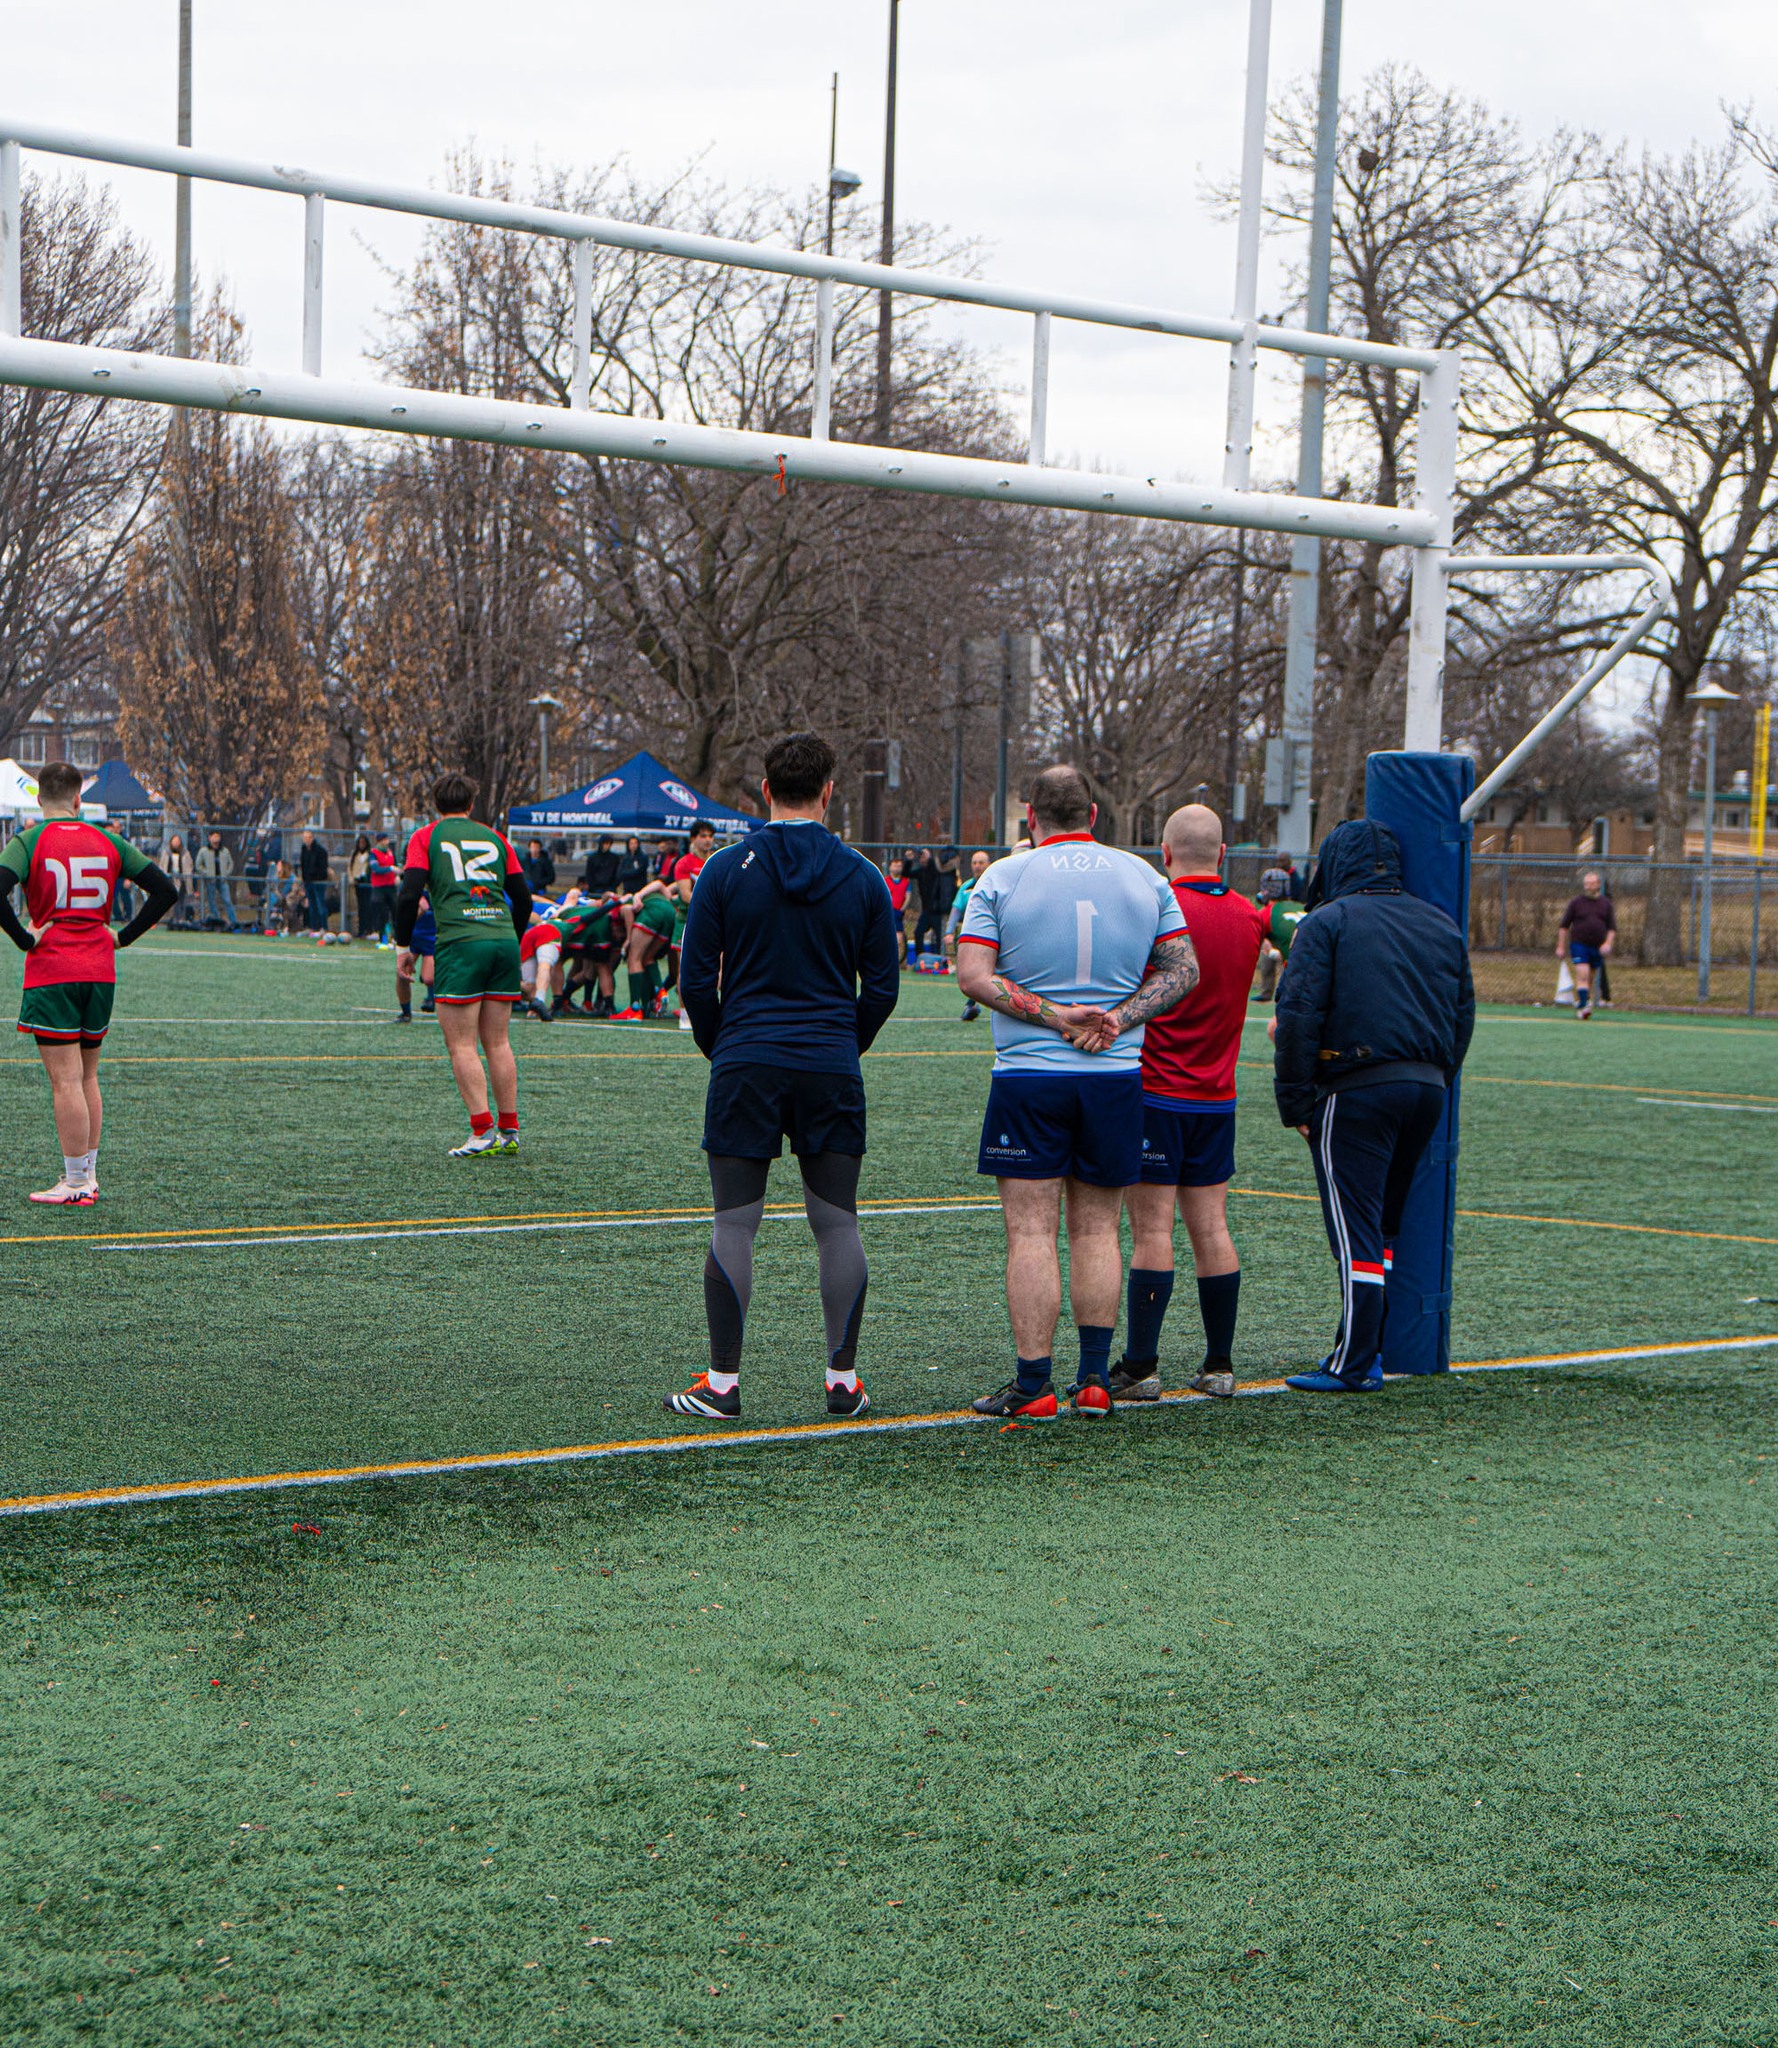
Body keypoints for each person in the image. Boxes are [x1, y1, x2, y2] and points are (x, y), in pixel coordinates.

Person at [668, 731, 899, 1420]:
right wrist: (840, 1046)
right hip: (829, 1063)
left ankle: (722, 1384)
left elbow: (694, 982)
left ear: (765, 791)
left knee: (735, 1223)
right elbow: (882, 988)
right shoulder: (862, 875)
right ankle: (843, 1381)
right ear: (830, 793)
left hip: (746, 1059)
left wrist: (725, 1047)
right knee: (836, 1223)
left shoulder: (723, 869)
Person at [956, 765, 1198, 1418]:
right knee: (1098, 1231)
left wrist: (1050, 1014)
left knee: (1030, 1232)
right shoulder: (1144, 875)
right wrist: (1121, 1017)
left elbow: (973, 976)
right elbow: (1184, 968)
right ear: (1093, 814)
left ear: (1030, 816)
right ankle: (1094, 1380)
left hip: (1029, 1077)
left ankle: (1033, 1384)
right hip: (1114, 1077)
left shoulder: (1002, 876)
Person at [1273, 819, 1475, 1393]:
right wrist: (1437, 1075)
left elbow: (1298, 1016)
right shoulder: (1440, 922)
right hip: (1427, 1087)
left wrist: (1296, 1102)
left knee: (1354, 1226)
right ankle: (1370, 1350)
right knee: (1382, 1227)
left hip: (1356, 1086)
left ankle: (1354, 1361)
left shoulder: (1328, 921)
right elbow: (1462, 1016)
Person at [1111, 806, 1265, 1403]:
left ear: (1165, 854)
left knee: (1151, 1229)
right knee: (1212, 1226)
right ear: (1222, 854)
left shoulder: (1159, 909)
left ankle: (1142, 1367)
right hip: (1217, 1096)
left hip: (1156, 1093)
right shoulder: (1250, 915)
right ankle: (1219, 1364)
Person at [0, 761, 179, 1204]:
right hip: (100, 969)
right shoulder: (108, 839)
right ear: (79, 799)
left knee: (64, 1081)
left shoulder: (29, 840)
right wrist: (123, 937)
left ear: (39, 799)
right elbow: (165, 890)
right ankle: (87, 1174)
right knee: (87, 1076)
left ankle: (76, 1183)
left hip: (53, 971)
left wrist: (25, 938)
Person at [394, 773, 533, 1154]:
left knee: (462, 1045)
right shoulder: (496, 837)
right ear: (472, 804)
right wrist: (510, 936)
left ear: (436, 805)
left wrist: (401, 946)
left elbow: (409, 895)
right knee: (499, 1042)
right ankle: (509, 1131)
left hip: (460, 942)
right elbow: (523, 899)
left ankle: (482, 1131)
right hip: (502, 939)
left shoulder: (426, 837)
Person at [1557, 871, 1615, 1021]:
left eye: (1591, 884)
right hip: (1579, 945)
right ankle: (1583, 1004)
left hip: (1596, 947)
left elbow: (1612, 928)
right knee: (1582, 975)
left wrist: (1608, 943)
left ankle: (1583, 1003)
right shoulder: (1576, 903)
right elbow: (1564, 926)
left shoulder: (1606, 904)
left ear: (1598, 885)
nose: (1588, 887)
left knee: (1589, 978)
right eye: (1586, 884)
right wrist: (1561, 946)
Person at [948, 848, 991, 1015]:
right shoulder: (966, 887)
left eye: (981, 862)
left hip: (994, 935)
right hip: (973, 936)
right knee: (972, 970)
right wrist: (949, 932)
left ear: (988, 864)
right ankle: (971, 1004)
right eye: (974, 863)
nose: (977, 866)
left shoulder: (995, 883)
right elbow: (956, 909)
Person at [1254, 867, 1307, 1001]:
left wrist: (1270, 951)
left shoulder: (1267, 913)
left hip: (1297, 969)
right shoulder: (1301, 907)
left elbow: (1251, 942)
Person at [396, 892, 437, 1017]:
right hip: (412, 937)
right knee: (402, 975)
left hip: (431, 936)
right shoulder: (410, 887)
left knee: (429, 978)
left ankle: (431, 997)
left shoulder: (439, 886)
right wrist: (419, 912)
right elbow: (403, 918)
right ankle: (406, 1012)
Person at [195, 831, 240, 931]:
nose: (216, 839)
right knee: (212, 901)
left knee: (227, 900)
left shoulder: (224, 851)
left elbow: (230, 864)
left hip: (222, 880)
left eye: (218, 836)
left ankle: (234, 922)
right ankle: (217, 921)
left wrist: (226, 874)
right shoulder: (204, 851)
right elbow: (198, 865)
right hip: (211, 880)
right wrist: (207, 873)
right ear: (209, 838)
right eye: (214, 836)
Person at [911, 846, 944, 962]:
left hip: (936, 910)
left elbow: (934, 868)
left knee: (939, 935)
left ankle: (939, 960)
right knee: (918, 932)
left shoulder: (935, 870)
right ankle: (920, 958)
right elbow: (907, 873)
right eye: (920, 857)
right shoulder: (920, 871)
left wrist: (929, 858)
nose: (922, 859)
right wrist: (909, 860)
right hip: (926, 911)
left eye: (924, 856)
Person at [368, 832, 398, 943]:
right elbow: (376, 869)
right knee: (382, 914)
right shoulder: (373, 853)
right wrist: (390, 869)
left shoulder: (390, 852)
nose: (387, 842)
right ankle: (383, 938)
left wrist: (397, 874)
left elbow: (395, 865)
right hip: (379, 888)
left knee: (396, 912)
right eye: (385, 840)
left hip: (391, 886)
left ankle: (396, 938)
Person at [160, 832, 194, 928]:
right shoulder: (166, 853)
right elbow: (162, 866)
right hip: (169, 880)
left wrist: (186, 877)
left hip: (182, 880)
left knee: (181, 900)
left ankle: (180, 919)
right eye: (174, 841)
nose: (176, 843)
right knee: (171, 900)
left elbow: (189, 866)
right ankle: (172, 919)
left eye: (177, 841)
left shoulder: (185, 853)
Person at [299, 829, 330, 933]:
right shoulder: (303, 849)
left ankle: (324, 927)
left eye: (309, 837)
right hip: (308, 882)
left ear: (313, 838)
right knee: (311, 906)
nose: (307, 840)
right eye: (305, 838)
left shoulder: (320, 851)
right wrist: (304, 878)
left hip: (318, 882)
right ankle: (314, 927)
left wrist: (316, 877)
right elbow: (303, 865)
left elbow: (322, 867)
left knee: (320, 904)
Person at [885, 857, 911, 966]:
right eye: (895, 865)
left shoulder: (906, 881)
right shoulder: (885, 880)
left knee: (899, 939)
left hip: (898, 913)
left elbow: (908, 896)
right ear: (890, 867)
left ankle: (899, 962)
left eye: (899, 866)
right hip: (887, 912)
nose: (897, 868)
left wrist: (902, 909)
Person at [348, 832, 375, 937]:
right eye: (360, 842)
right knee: (361, 906)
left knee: (368, 905)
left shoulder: (370, 854)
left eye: (363, 842)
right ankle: (361, 929)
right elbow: (350, 867)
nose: (361, 844)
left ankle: (369, 929)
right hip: (358, 880)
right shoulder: (355, 854)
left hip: (367, 881)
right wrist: (352, 879)